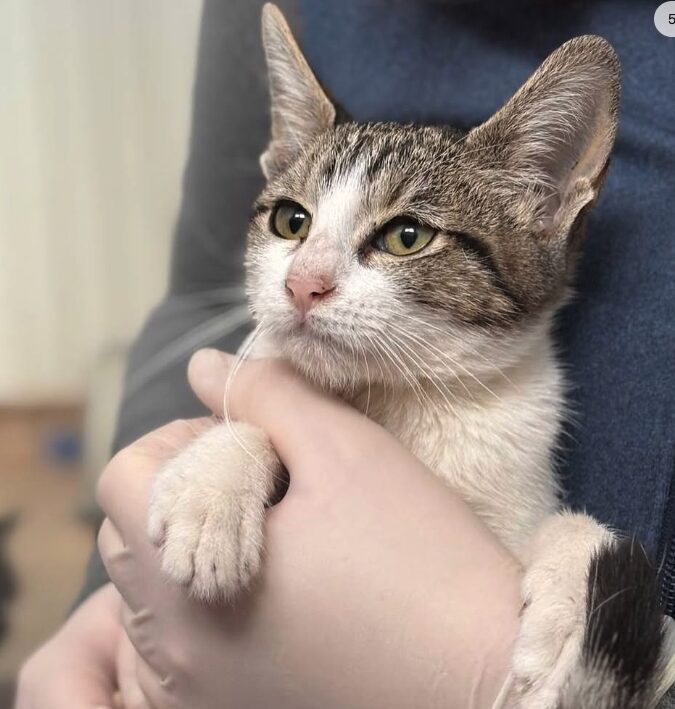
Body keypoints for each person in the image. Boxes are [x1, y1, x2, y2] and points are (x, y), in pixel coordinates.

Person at [15, 0, 675, 706]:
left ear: (540, 203)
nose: (306, 279)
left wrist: (487, 656)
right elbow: (191, 294)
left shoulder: (509, 417)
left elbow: (528, 559)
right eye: (291, 220)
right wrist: (112, 591)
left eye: (403, 235)